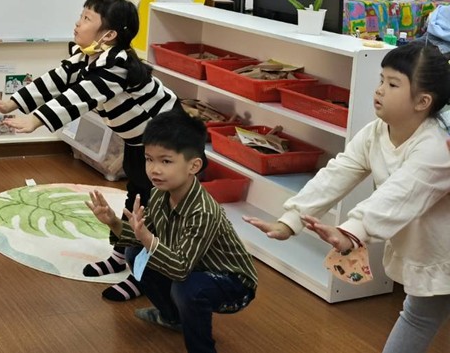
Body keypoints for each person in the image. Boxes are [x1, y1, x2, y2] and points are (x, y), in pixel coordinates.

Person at [245, 42, 450, 353]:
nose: (379, 89)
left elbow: (399, 193)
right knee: (418, 316)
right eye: (381, 79)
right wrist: (291, 219)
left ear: (423, 101)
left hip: (441, 251)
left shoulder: (436, 146)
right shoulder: (377, 132)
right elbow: (337, 173)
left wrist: (351, 232)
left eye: (393, 84)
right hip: (431, 251)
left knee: (418, 317)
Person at [0, 0, 178, 301]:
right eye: (81, 15)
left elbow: (79, 97)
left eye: (87, 19)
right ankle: (120, 255)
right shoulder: (87, 56)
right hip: (138, 141)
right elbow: (55, 80)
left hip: (168, 139)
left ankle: (143, 276)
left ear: (108, 35)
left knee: (156, 209)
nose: (78, 23)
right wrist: (12, 103)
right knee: (136, 196)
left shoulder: (117, 66)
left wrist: (35, 120)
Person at [87, 110, 256, 353]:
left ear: (194, 166)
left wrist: (147, 238)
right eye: (149, 159)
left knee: (187, 287)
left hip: (232, 281)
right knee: (135, 253)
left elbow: (180, 268)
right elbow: (148, 240)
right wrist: (113, 222)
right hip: (191, 264)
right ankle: (172, 317)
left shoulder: (203, 211)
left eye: (165, 161)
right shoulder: (159, 193)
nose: (154, 169)